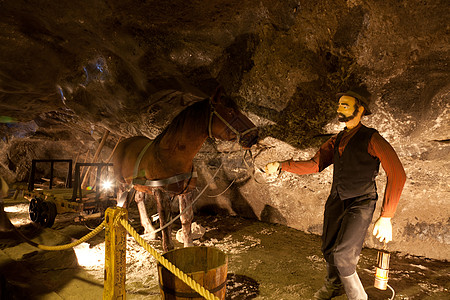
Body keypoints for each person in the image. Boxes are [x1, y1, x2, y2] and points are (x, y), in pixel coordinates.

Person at [265, 86, 406, 300]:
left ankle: (358, 297)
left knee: (343, 255)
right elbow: (315, 164)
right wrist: (281, 164)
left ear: (360, 110)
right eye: (339, 104)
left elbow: (397, 173)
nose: (340, 107)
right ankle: (333, 285)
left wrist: (386, 216)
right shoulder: (337, 139)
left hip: (361, 202)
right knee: (329, 247)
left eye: (345, 104)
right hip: (336, 200)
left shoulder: (372, 138)